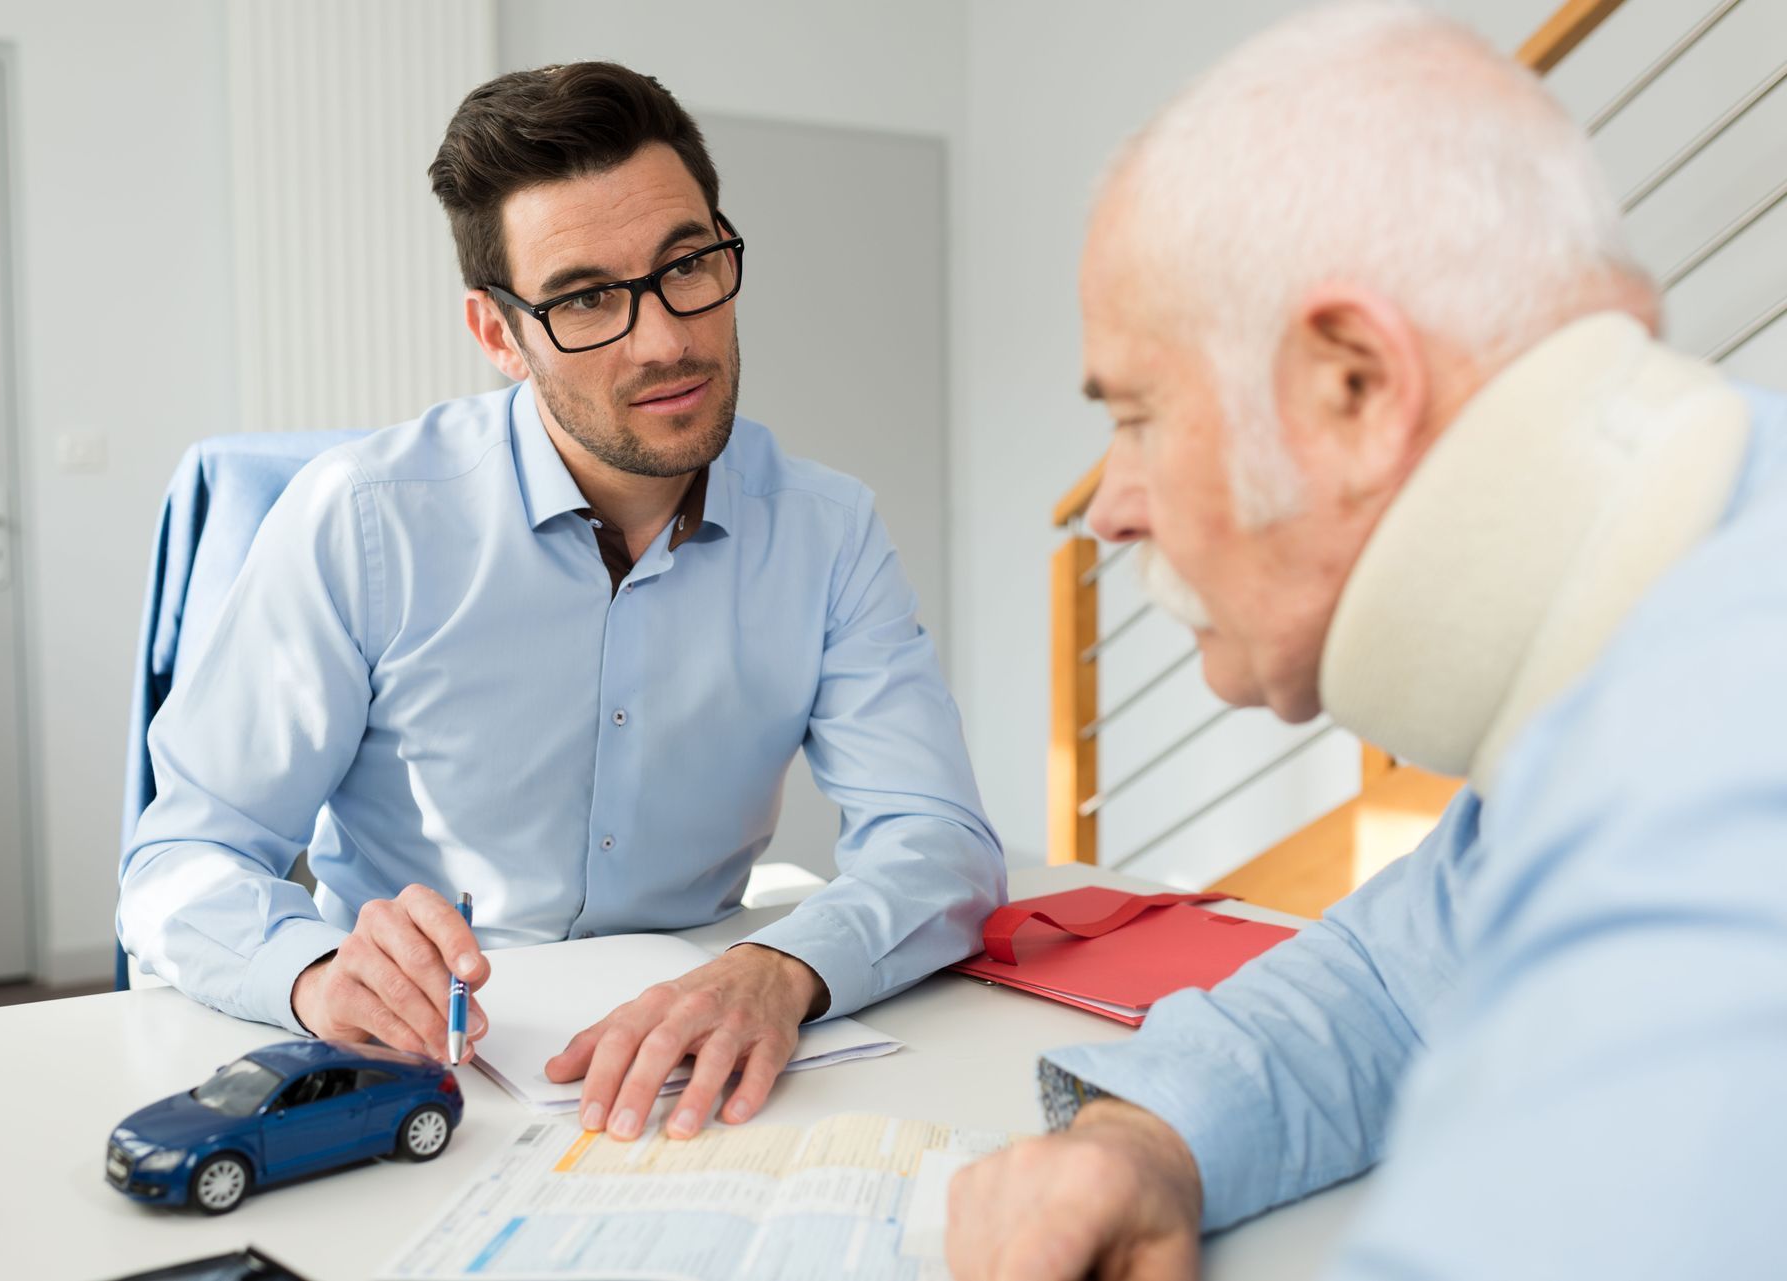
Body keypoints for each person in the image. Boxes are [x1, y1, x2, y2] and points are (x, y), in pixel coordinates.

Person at [947, 4, 1787, 1279]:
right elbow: (1398, 981)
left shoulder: (1725, 794)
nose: (1109, 506)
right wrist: (1146, 1142)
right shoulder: (1667, 614)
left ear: (1355, 387)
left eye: (1137, 414)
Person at [119, 61, 1003, 1144]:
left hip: (706, 1074)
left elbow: (941, 841)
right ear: (499, 335)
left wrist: (781, 967)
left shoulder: (827, 530)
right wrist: (311, 972)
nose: (668, 339)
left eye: (689, 267)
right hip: (424, 1073)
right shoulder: (363, 520)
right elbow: (179, 860)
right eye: (586, 298)